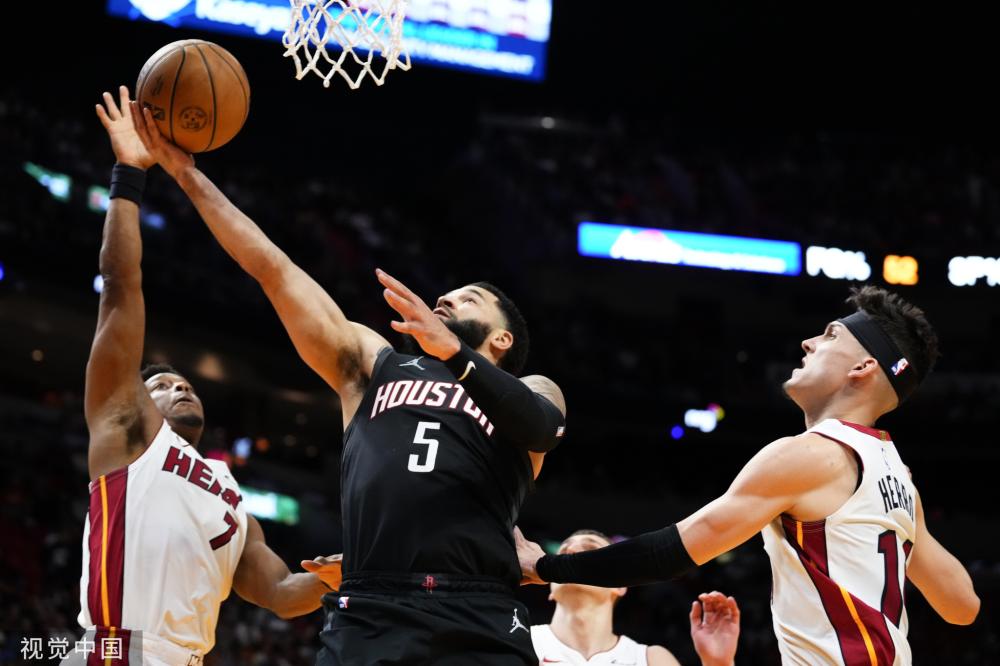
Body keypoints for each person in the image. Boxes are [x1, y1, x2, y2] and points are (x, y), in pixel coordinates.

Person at [130, 102, 567, 664]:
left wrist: (454, 352)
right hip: (370, 604)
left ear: (501, 340)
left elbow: (541, 429)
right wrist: (186, 174)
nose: (447, 298)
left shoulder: (532, 388)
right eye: (447, 295)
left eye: (469, 297)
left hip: (477, 607)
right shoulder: (373, 364)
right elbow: (274, 268)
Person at [517, 287, 980, 665]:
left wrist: (547, 566)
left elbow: (672, 552)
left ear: (863, 367)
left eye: (830, 336)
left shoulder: (813, 456)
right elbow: (962, 605)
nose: (809, 343)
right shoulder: (896, 476)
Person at [76, 87, 341, 666]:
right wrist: (128, 175)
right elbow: (120, 290)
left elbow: (279, 594)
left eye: (185, 383)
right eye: (162, 385)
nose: (180, 385)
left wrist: (335, 577)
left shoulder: (228, 495)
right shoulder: (126, 432)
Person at [532, 530, 740, 666]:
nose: (572, 552)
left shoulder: (651, 659)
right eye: (563, 553)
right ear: (550, 587)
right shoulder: (521, 640)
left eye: (589, 550)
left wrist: (718, 662)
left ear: (621, 585)